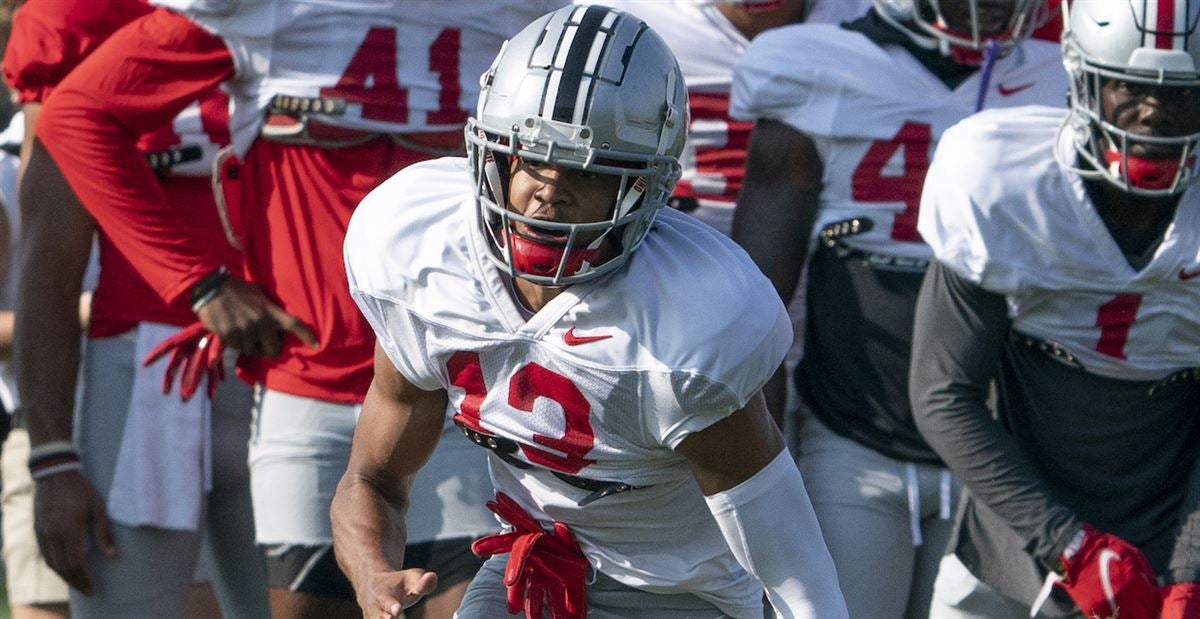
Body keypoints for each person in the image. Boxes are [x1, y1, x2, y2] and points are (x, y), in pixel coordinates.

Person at [25, 0, 564, 615]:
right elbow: (66, 162)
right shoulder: (224, 13)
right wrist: (196, 284)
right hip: (240, 376)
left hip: (446, 379)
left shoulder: (520, 16)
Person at [332, 5, 848, 618]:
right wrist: (374, 579)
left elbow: (789, 560)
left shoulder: (683, 325)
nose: (548, 188)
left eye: (586, 168)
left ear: (644, 187)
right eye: (529, 157)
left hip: (681, 598)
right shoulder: (426, 257)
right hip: (532, 569)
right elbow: (371, 480)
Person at [728, 0, 1066, 616]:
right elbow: (753, 307)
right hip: (854, 441)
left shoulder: (1062, 78)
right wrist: (768, 483)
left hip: (1002, 455)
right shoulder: (818, 65)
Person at [910, 1, 1200, 617]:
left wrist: (1192, 562)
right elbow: (942, 390)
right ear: (1080, 74)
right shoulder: (998, 175)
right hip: (1013, 530)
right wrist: (1066, 542)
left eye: (1182, 91)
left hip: (1175, 498)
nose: (1154, 111)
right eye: (1129, 84)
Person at [7, 0, 272, 616]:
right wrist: (50, 457)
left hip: (288, 362)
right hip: (141, 371)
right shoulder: (76, 18)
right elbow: (48, 259)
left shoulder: (316, 13)